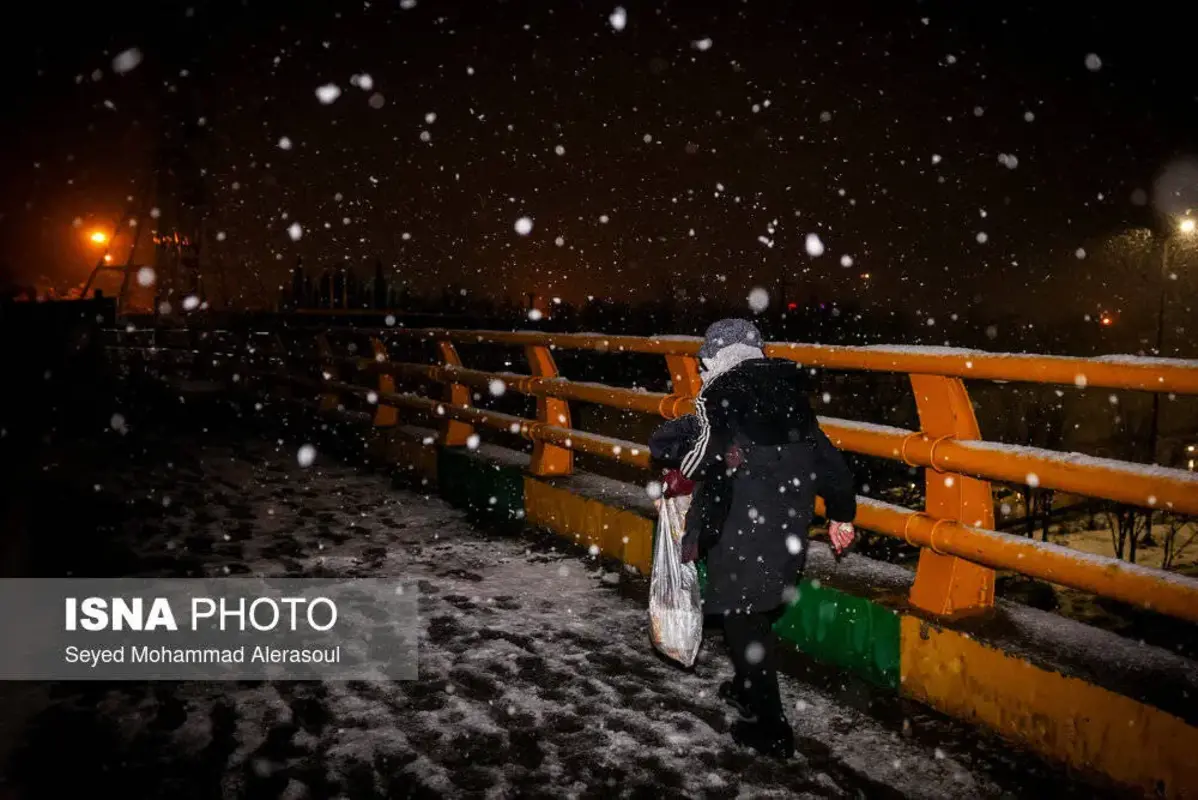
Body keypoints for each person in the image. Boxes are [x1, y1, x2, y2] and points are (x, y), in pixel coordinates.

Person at [649, 318, 857, 759]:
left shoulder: (721, 394)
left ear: (715, 358)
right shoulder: (792, 397)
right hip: (787, 527)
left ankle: (771, 729)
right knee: (750, 610)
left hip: (741, 525)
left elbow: (701, 456)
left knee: (745, 619)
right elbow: (829, 461)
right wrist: (841, 515)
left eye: (705, 362)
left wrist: (675, 473)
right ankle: (746, 690)